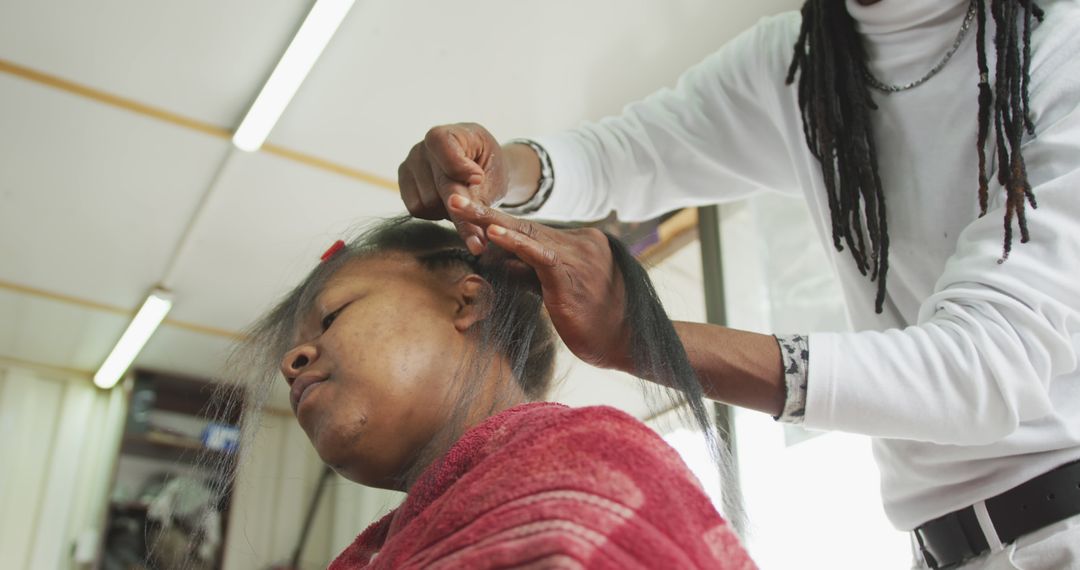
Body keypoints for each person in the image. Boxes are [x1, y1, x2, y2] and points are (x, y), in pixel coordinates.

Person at [397, 0, 1080, 568]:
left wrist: (647, 339)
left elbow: (984, 367)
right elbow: (633, 150)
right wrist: (506, 168)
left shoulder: (1063, 39)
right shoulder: (804, 55)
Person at [231, 218, 753, 569]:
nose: (291, 362)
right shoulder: (379, 551)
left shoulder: (588, 453)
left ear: (467, 301)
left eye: (329, 318)